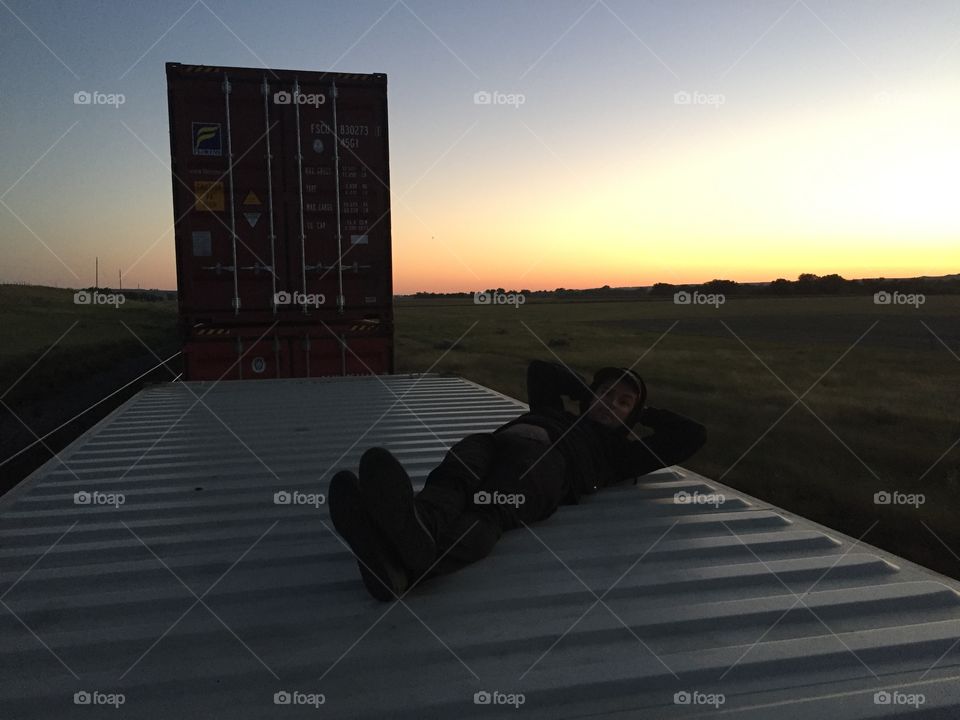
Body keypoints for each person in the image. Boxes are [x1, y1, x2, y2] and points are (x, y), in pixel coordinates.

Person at [328, 360, 707, 601]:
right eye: (606, 393)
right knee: (453, 481)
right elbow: (541, 370)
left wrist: (640, 413)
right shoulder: (554, 412)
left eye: (623, 402)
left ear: (631, 415)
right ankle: (414, 532)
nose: (611, 402)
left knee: (489, 509)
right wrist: (591, 393)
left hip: (547, 468)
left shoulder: (620, 454)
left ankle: (409, 562)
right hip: (492, 444)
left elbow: (691, 435)